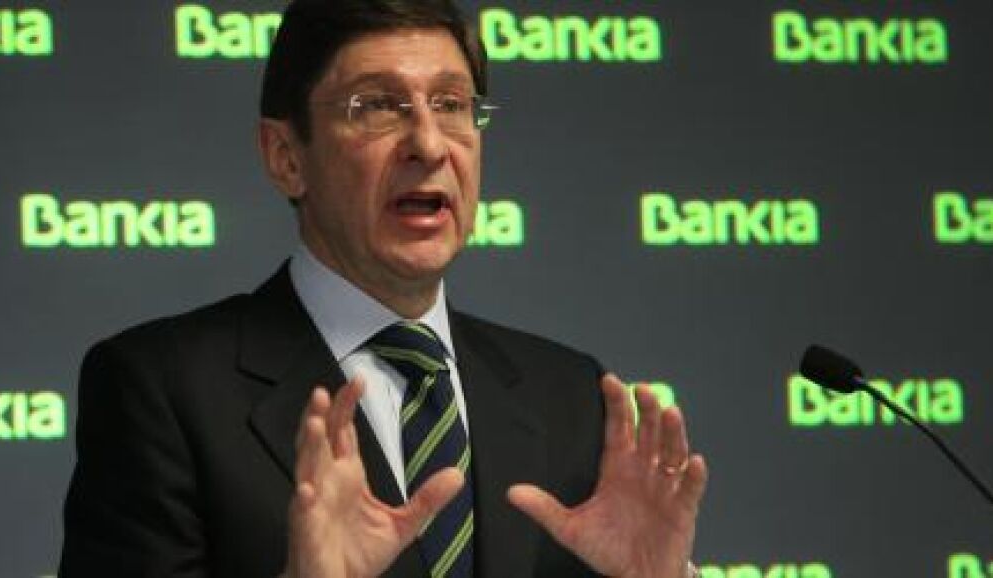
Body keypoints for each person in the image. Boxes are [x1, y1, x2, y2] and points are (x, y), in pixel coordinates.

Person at [58, 1, 707, 577]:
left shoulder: (569, 397)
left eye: (451, 105)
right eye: (375, 107)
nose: (428, 143)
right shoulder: (162, 390)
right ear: (286, 156)